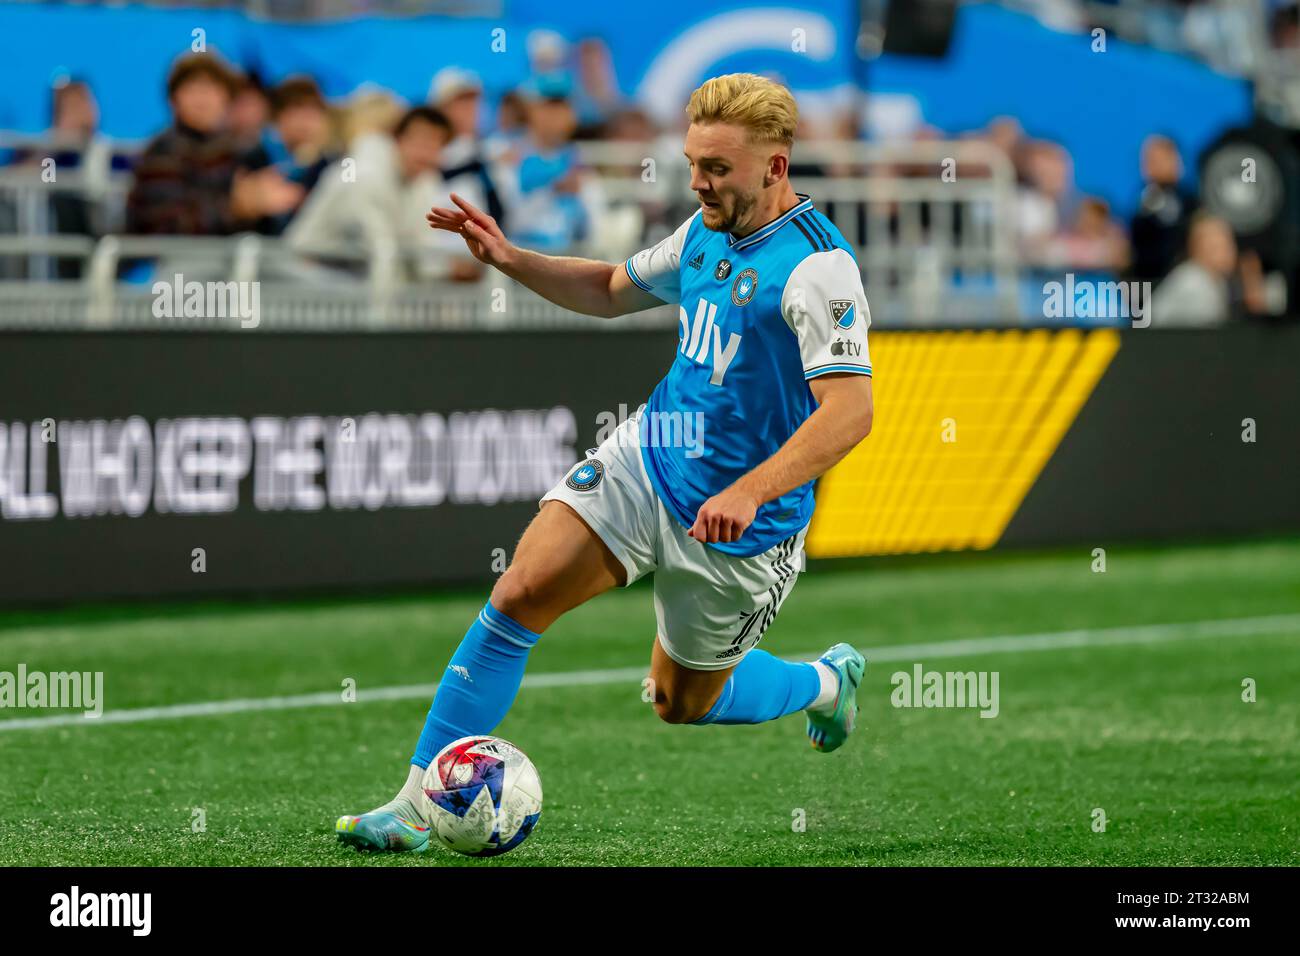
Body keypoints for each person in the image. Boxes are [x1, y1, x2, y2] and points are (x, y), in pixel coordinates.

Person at [336, 73, 874, 854]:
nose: (698, 182)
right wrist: (510, 258)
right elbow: (612, 289)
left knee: (678, 701)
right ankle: (417, 807)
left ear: (775, 167)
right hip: (648, 461)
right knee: (519, 592)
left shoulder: (818, 268)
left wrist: (754, 491)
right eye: (693, 163)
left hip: (741, 524)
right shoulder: (702, 231)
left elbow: (851, 411)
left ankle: (826, 682)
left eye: (717, 168)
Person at [285, 105, 481, 281]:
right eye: (420, 140)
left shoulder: (424, 181)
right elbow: (381, 252)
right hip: (304, 272)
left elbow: (421, 250)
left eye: (435, 144)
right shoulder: (365, 173)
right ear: (398, 140)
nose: (426, 152)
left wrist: (448, 270)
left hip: (348, 277)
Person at [126, 53, 301, 235]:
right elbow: (166, 227)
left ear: (227, 98)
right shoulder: (162, 151)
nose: (202, 99)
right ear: (174, 100)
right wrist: (236, 208)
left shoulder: (235, 150)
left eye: (211, 89)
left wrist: (264, 202)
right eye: (192, 89)